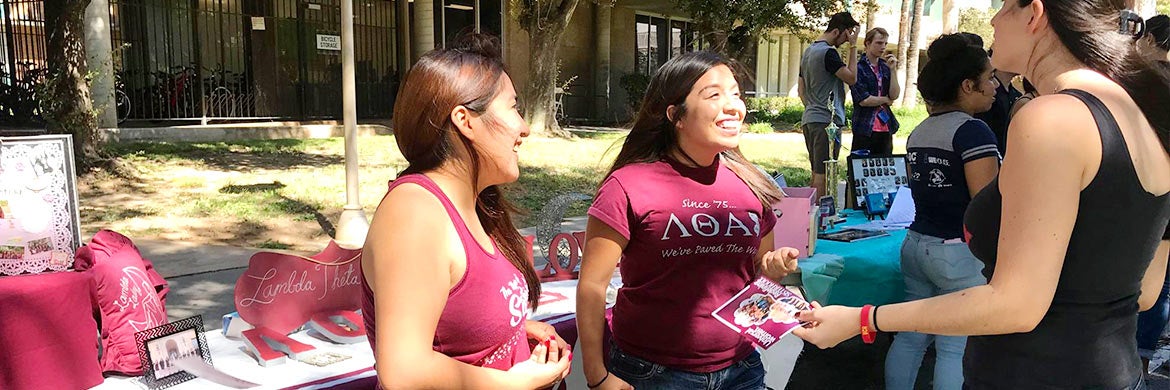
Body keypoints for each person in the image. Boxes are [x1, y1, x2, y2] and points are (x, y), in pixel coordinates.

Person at [794, 1, 1170, 389]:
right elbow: (1144, 291)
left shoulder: (1053, 118)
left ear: (1034, 13)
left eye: (1005, 6)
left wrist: (864, 318)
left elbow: (1017, 304)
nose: (993, 19)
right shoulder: (1147, 112)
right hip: (1114, 373)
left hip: (1033, 374)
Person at [576, 51, 801, 390]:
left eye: (736, 94)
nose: (733, 106)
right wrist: (596, 376)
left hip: (741, 368)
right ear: (676, 115)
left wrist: (770, 270)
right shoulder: (628, 185)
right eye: (714, 95)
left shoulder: (752, 183)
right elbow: (592, 287)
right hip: (653, 373)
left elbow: (756, 276)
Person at [360, 34, 571, 389]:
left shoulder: (478, 205)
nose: (525, 128)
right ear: (465, 120)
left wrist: (513, 330)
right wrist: (519, 384)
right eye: (513, 107)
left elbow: (455, 322)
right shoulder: (414, 212)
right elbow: (403, 372)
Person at [883, 34, 1000, 390]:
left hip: (917, 243)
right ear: (968, 85)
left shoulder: (920, 131)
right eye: (989, 77)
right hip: (958, 253)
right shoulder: (974, 132)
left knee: (910, 335)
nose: (995, 85)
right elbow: (986, 204)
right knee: (954, 346)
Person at [1136, 13, 1170, 376]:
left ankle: (1138, 359)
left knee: (1147, 287)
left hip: (1147, 192)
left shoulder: (1140, 81)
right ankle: (1142, 358)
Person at [799, 12, 862, 198]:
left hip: (810, 118)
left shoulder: (808, 51)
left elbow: (801, 90)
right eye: (846, 35)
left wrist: (812, 107)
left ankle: (810, 215)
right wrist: (853, 46)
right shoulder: (828, 53)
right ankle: (820, 219)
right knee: (824, 173)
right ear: (836, 31)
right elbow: (852, 78)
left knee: (816, 170)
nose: (846, 39)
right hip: (827, 122)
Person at [850, 27, 902, 155]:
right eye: (879, 43)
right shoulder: (859, 68)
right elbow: (863, 100)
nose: (883, 47)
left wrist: (893, 70)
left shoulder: (885, 67)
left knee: (885, 167)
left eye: (885, 43)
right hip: (865, 126)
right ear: (867, 43)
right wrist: (885, 100)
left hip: (885, 127)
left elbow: (894, 95)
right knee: (860, 168)